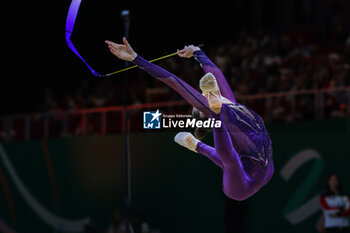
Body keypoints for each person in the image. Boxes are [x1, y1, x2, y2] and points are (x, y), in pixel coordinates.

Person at [105, 38, 274, 200]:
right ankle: (200, 140)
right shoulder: (228, 106)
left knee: (229, 159)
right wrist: (196, 52)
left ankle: (196, 144)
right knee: (230, 160)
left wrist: (197, 53)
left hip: (250, 171)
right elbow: (192, 78)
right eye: (201, 102)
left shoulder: (228, 106)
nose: (200, 98)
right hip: (243, 186)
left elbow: (194, 78)